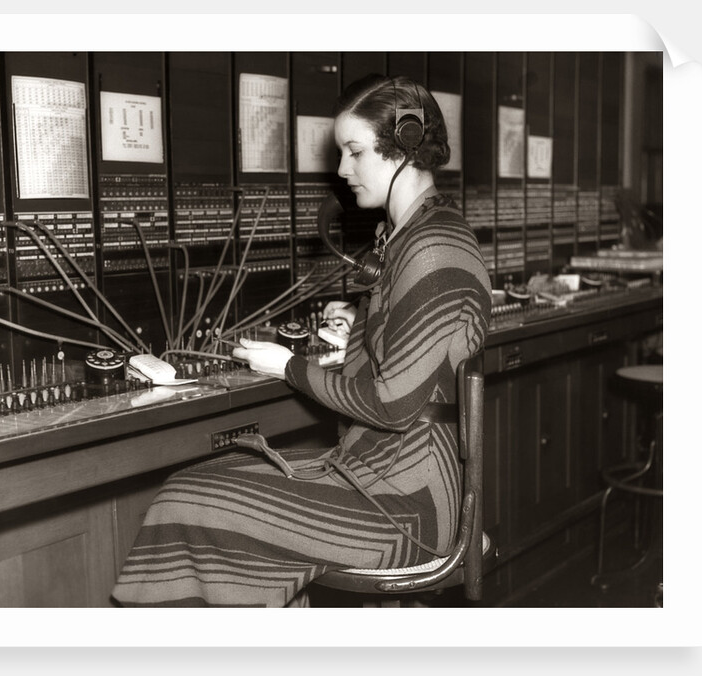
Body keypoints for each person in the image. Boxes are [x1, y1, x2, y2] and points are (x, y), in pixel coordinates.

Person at [111, 75, 491, 607]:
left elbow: (393, 403)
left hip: (408, 504)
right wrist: (360, 320)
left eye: (354, 151)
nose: (341, 169)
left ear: (404, 145)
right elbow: (407, 350)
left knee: (186, 500)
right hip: (380, 471)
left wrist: (287, 365)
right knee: (205, 479)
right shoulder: (414, 237)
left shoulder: (431, 249)